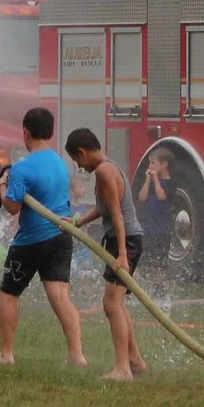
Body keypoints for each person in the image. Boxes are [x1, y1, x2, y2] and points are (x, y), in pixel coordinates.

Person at [0, 107, 86, 367]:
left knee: (9, 293)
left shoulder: (22, 168)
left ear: (25, 132)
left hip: (31, 241)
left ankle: (6, 354)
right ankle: (77, 355)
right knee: (60, 297)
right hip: (62, 236)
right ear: (51, 132)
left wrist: (1, 184)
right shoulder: (61, 163)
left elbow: (12, 207)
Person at [66, 128, 146, 380]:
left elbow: (117, 214)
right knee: (117, 304)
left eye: (77, 161)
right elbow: (104, 209)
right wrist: (77, 223)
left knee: (111, 305)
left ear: (82, 152)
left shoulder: (102, 171)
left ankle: (122, 369)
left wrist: (122, 254)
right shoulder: (111, 167)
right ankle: (134, 362)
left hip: (125, 242)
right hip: (124, 240)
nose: (80, 167)